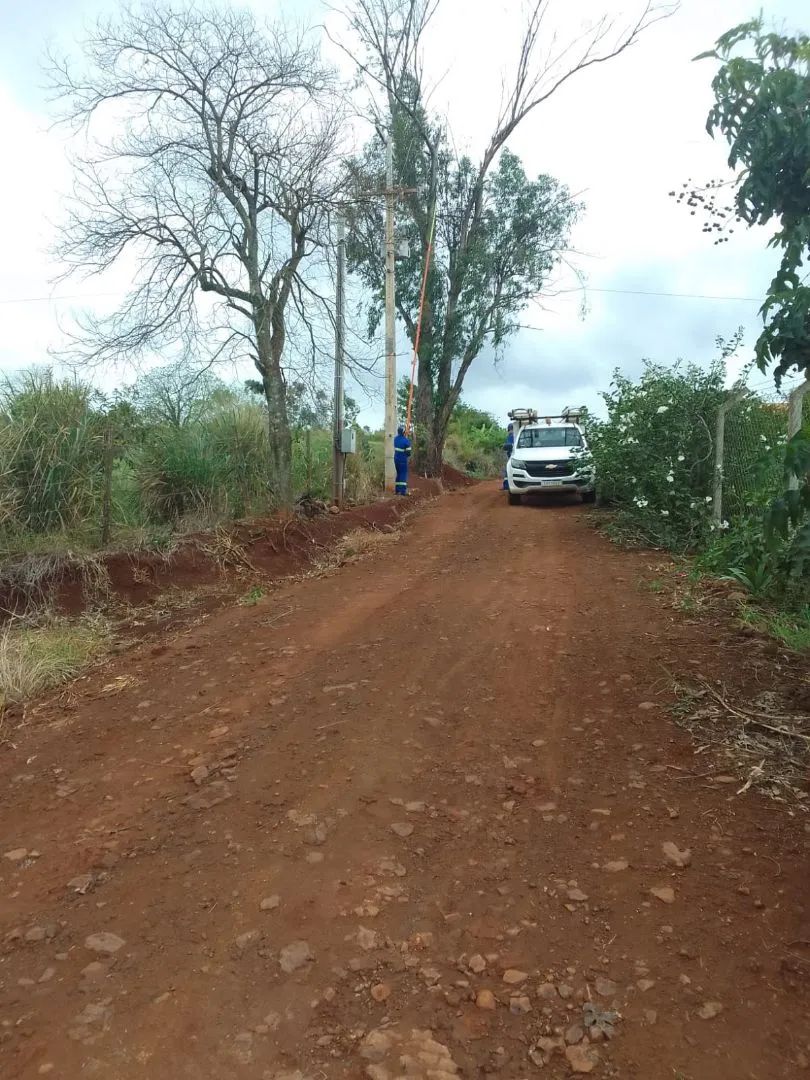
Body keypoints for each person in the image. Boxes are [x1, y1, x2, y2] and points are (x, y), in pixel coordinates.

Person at [394, 425, 412, 496]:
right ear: (404, 432)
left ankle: (397, 490)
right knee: (403, 474)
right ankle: (403, 492)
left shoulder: (395, 439)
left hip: (396, 459)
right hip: (402, 460)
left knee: (398, 474)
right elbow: (408, 453)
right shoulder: (406, 441)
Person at [502, 422, 514, 490]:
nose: (509, 431)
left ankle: (506, 486)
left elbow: (509, 445)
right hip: (511, 456)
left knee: (508, 471)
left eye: (510, 429)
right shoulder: (511, 436)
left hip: (512, 456)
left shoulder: (511, 436)